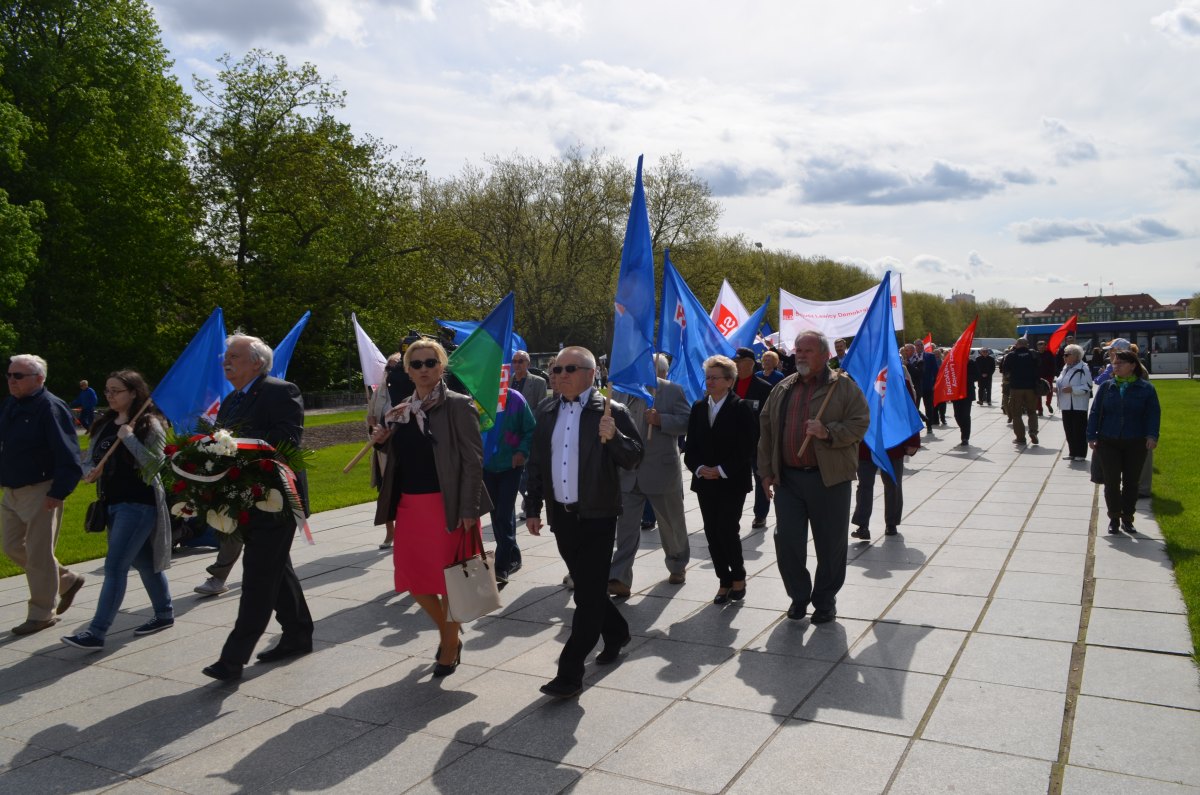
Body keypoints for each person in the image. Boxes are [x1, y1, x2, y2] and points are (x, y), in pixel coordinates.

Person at [525, 346, 643, 699]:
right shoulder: (546, 410)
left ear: (591, 374)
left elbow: (634, 458)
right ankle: (617, 631)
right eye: (556, 369)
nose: (559, 375)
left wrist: (615, 436)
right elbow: (537, 462)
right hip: (562, 516)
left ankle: (570, 672)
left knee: (587, 597)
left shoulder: (611, 410)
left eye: (569, 369)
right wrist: (532, 507)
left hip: (597, 514)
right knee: (588, 588)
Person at [372, 339, 493, 677]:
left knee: (451, 580)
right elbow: (402, 457)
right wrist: (383, 442)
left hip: (449, 504)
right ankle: (449, 634)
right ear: (408, 371)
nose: (424, 369)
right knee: (413, 578)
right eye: (416, 364)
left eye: (430, 362)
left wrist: (469, 507)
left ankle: (449, 645)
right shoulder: (399, 411)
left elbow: (473, 461)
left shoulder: (458, 405)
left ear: (442, 367)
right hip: (410, 505)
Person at [200, 334, 314, 681]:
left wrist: (233, 445)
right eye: (226, 356)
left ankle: (233, 658)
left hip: (275, 499)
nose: (226, 361)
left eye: (234, 356)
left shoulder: (281, 391)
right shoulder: (232, 398)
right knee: (276, 569)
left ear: (256, 362)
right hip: (245, 497)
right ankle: (298, 634)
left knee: (258, 577)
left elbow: (286, 441)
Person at [758, 331, 870, 624]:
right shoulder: (783, 388)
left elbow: (860, 423)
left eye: (808, 350)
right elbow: (766, 431)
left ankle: (824, 600)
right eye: (798, 350)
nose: (801, 355)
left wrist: (828, 432)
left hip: (829, 479)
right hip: (788, 480)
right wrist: (766, 471)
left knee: (830, 544)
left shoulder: (843, 387)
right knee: (787, 541)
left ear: (825, 355)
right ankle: (798, 596)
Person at [62, 371, 174, 651]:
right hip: (111, 503)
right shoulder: (104, 423)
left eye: (117, 391)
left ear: (134, 393)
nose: (110, 396)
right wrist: (89, 471)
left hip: (138, 504)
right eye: (107, 391)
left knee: (114, 567)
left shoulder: (150, 424)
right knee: (143, 562)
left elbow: (156, 465)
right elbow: (90, 458)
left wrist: (130, 439)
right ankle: (164, 614)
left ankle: (96, 632)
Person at [0, 355, 85, 636]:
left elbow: (69, 454)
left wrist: (58, 492)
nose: (11, 380)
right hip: (11, 489)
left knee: (38, 554)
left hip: (41, 489)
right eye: (9, 375)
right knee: (12, 546)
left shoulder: (50, 407)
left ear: (39, 378)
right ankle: (66, 579)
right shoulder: (12, 404)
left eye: (18, 376)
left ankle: (41, 613)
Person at [608, 354, 690, 597]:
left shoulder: (672, 390)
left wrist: (661, 419)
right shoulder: (621, 391)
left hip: (661, 471)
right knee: (626, 529)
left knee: (671, 524)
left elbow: (688, 422)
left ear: (659, 371)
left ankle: (677, 564)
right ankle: (620, 577)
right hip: (628, 471)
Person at [684, 355, 757, 604]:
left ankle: (738, 576)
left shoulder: (741, 407)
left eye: (715, 378)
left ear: (729, 381)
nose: (709, 382)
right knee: (712, 532)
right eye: (707, 377)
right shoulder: (698, 407)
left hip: (731, 481)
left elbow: (747, 446)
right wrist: (699, 468)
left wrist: (722, 470)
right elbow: (690, 447)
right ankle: (723, 580)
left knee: (727, 529)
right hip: (705, 481)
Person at [1087, 350, 1159, 534]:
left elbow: (1153, 414)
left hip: (1135, 441)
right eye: (1114, 363)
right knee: (1111, 481)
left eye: (1120, 363)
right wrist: (1091, 436)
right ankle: (1114, 518)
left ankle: (1127, 518)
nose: (1115, 366)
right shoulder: (1107, 386)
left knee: (1131, 482)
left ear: (1132, 366)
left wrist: (1152, 436)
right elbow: (1095, 412)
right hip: (1108, 440)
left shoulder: (1146, 388)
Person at [482, 386, 535, 585]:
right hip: (487, 466)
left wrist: (521, 451)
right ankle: (514, 556)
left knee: (503, 514)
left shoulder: (515, 398)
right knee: (497, 513)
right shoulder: (479, 397)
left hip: (511, 466)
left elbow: (530, 428)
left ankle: (501, 565)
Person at [850, 430, 920, 540]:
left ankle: (891, 523)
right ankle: (862, 525)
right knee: (864, 486)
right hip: (866, 445)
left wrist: (913, 441)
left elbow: (907, 418)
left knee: (893, 485)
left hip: (892, 445)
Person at [733, 348, 774, 529]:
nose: (735, 365)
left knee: (761, 478)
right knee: (735, 480)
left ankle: (760, 514)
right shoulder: (729, 385)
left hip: (757, 443)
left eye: (739, 361)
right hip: (735, 443)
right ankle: (733, 512)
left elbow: (769, 418)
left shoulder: (764, 388)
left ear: (750, 363)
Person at [368, 353, 405, 550]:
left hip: (402, 451)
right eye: (388, 368)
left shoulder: (408, 390)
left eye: (396, 367)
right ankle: (390, 531)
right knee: (384, 492)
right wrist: (373, 428)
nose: (391, 372)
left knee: (402, 492)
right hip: (383, 452)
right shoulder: (379, 392)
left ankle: (405, 530)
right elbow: (371, 418)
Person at [1001, 338, 1040, 446]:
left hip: (1016, 388)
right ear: (1027, 345)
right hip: (1031, 388)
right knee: (1032, 412)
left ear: (1017, 344)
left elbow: (1005, 371)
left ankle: (1020, 438)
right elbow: (1039, 367)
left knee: (1016, 414)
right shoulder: (1033, 354)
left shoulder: (1011, 355)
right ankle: (1033, 431)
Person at [1056, 344, 1093, 461]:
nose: (1064, 357)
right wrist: (1057, 388)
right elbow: (1061, 381)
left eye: (1067, 355)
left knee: (1079, 430)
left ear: (1076, 356)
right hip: (1066, 404)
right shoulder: (1066, 367)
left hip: (1078, 404)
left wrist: (1073, 389)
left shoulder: (1083, 368)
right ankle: (1072, 452)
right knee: (1068, 429)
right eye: (1064, 354)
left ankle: (1080, 454)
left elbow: (1088, 386)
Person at [950, 355, 980, 446]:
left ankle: (965, 437)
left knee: (965, 415)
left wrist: (964, 377)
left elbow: (977, 376)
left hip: (967, 393)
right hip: (956, 393)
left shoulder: (971, 363)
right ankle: (963, 429)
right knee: (957, 415)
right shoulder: (953, 363)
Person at [920, 343, 939, 434]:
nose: (919, 347)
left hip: (927, 385)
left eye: (920, 345)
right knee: (914, 407)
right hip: (916, 386)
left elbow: (935, 371)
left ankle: (929, 425)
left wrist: (934, 384)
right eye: (917, 345)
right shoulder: (910, 357)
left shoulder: (930, 356)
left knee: (928, 406)